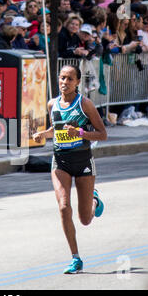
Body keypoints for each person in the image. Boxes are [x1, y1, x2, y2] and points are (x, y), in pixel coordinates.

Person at [32, 65, 107, 274]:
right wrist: (42, 135)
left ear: (77, 82)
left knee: (85, 219)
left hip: (82, 160)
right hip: (60, 161)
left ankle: (94, 200)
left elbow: (102, 134)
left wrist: (80, 132)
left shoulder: (85, 105)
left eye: (69, 79)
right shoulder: (52, 104)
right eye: (62, 78)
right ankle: (75, 258)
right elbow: (56, 128)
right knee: (64, 207)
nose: (64, 82)